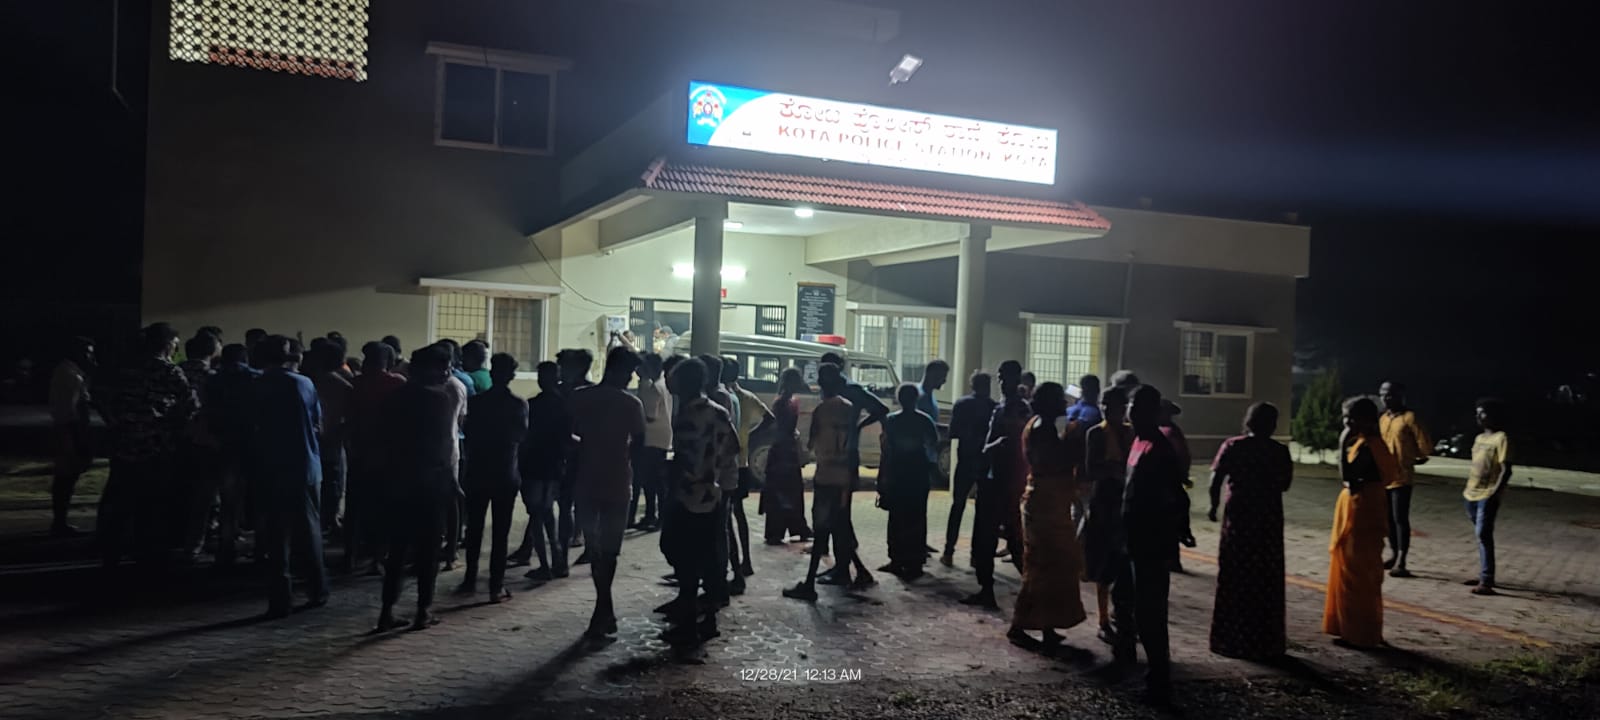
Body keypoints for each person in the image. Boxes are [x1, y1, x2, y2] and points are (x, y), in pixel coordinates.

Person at [1109, 384, 1186, 705]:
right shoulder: (1138, 442)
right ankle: (1136, 663)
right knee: (1128, 602)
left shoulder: (1159, 448)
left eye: (1137, 407)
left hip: (1150, 542)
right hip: (1132, 538)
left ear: (1151, 412)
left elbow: (1173, 495)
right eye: (1130, 405)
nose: (1131, 411)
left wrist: (1173, 537)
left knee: (1150, 611)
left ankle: (1159, 679)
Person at [98, 323, 196, 569]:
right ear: (167, 344)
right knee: (151, 503)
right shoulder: (168, 371)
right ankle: (145, 552)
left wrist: (116, 424)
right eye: (174, 344)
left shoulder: (124, 370)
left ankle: (111, 551)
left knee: (119, 501)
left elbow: (103, 400)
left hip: (123, 445)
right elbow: (190, 404)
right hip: (155, 446)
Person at [374, 345, 459, 631]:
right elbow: (442, 446)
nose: (447, 373)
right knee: (428, 550)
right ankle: (423, 609)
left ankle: (387, 610)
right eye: (444, 367)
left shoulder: (393, 397)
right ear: (430, 369)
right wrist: (449, 481)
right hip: (430, 484)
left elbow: (383, 439)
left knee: (397, 549)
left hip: (398, 481)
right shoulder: (440, 400)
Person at [569, 347, 648, 638]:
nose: (630, 379)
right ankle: (604, 608)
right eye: (629, 373)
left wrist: (586, 445)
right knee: (610, 551)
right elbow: (639, 444)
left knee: (595, 548)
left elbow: (567, 433)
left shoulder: (580, 397)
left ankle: (603, 609)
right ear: (616, 370)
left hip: (587, 480)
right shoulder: (631, 404)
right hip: (618, 481)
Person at [1207, 402, 1294, 660]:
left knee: (1235, 573)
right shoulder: (1279, 451)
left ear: (1249, 421)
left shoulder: (1233, 446)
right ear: (1273, 425)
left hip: (1239, 517)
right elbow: (1285, 484)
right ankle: (1264, 641)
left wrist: (1213, 506)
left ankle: (1230, 638)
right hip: (1267, 519)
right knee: (1265, 576)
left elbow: (1215, 479)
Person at [250, 336, 329, 618]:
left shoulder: (257, 385)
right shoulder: (304, 383)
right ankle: (317, 589)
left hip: (270, 467)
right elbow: (318, 425)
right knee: (309, 531)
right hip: (306, 465)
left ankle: (280, 599)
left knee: (276, 535)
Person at [662, 357, 739, 643]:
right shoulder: (719, 411)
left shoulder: (687, 417)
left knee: (684, 559)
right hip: (712, 493)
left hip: (687, 495)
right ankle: (708, 618)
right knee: (709, 557)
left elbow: (684, 460)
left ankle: (688, 624)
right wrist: (713, 467)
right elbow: (733, 447)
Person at [1009, 382, 1087, 648]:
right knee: (1044, 567)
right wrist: (1074, 444)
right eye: (1060, 400)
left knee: (1054, 567)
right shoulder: (1042, 429)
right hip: (1044, 506)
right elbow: (1052, 462)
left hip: (1051, 502)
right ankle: (1020, 624)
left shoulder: (1044, 426)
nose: (1065, 404)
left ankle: (1047, 625)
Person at [784, 363, 870, 600]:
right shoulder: (850, 408)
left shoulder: (821, 410)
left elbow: (812, 444)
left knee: (822, 529)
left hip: (826, 476)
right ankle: (860, 571)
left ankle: (809, 584)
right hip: (844, 476)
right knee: (840, 526)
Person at [1322, 396, 1395, 649]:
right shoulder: (1374, 444)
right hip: (1368, 507)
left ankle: (1358, 633)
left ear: (1365, 420)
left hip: (1361, 511)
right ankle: (1364, 628)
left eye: (1350, 418)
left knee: (1356, 572)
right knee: (1366, 572)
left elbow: (1349, 478)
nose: (1346, 423)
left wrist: (1342, 443)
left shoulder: (1367, 448)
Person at [456, 353, 528, 602]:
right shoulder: (518, 404)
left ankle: (469, 579)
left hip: (478, 470)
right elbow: (522, 436)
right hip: (505, 471)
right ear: (511, 375)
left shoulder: (477, 402)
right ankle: (495, 585)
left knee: (474, 529)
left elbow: (468, 431)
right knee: (501, 532)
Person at [817, 351, 889, 584]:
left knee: (838, 515)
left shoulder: (851, 391)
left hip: (844, 460)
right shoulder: (836, 392)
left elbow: (881, 410)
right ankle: (846, 566)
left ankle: (846, 569)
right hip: (836, 459)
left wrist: (858, 426)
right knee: (838, 516)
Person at [962, 360, 1029, 609]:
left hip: (1006, 481)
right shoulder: (1003, 408)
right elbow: (989, 445)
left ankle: (1033, 591)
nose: (1001, 381)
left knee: (1011, 539)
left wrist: (996, 446)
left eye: (1005, 377)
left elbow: (1015, 445)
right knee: (989, 539)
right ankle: (987, 590)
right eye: (1000, 377)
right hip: (995, 480)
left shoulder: (1019, 409)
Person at [345, 341, 405, 574]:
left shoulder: (356, 383)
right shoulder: (397, 383)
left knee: (355, 508)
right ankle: (378, 558)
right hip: (388, 455)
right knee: (383, 508)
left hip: (360, 452)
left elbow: (349, 419)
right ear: (388, 361)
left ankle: (350, 556)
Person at [1082, 386, 1132, 641]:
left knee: (1124, 564)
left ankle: (1121, 616)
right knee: (1103, 563)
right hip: (1104, 502)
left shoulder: (1131, 432)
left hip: (1126, 503)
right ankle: (1103, 619)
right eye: (1104, 405)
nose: (1107, 410)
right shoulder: (1096, 434)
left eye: (1112, 406)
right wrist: (1113, 471)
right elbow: (1091, 470)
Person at [511, 362, 569, 580]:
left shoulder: (533, 405)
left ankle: (545, 564)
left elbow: (524, 437)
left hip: (534, 466)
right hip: (554, 466)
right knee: (548, 514)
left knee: (536, 515)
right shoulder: (564, 405)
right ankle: (557, 560)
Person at [205, 343, 259, 566]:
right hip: (252, 443)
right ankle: (261, 548)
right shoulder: (255, 377)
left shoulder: (213, 380)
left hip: (224, 444)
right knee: (258, 498)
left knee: (228, 500)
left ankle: (226, 546)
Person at [878, 383, 939, 579]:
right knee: (917, 518)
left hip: (897, 475)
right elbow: (933, 446)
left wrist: (882, 478)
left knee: (896, 519)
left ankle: (896, 559)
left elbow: (886, 452)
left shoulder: (891, 421)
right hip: (918, 475)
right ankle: (915, 562)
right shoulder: (925, 420)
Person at [941, 371, 996, 567]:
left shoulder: (962, 404)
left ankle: (949, 551)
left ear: (972, 385)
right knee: (982, 511)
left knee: (958, 505)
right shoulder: (993, 407)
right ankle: (975, 555)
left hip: (965, 460)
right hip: (985, 462)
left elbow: (953, 433)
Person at [1378, 381, 1432, 578]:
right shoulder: (1383, 419)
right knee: (1388, 519)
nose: (1386, 398)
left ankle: (1402, 559)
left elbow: (1424, 446)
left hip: (1402, 477)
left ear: (1401, 395)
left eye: (1390, 394)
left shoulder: (1410, 418)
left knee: (1400, 518)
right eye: (1383, 394)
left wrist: (1413, 458)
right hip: (1383, 477)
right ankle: (1393, 554)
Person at [725, 357, 769, 591]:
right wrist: (749, 434)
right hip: (741, 460)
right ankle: (746, 561)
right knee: (739, 514)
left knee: (725, 518)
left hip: (728, 462)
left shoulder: (725, 397)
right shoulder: (747, 397)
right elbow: (769, 419)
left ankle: (733, 565)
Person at [178, 333, 221, 562]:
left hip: (176, 438)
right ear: (212, 350)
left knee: (183, 487)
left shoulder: (177, 370)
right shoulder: (212, 377)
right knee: (205, 493)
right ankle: (197, 541)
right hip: (204, 439)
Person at [1462, 398, 1512, 596]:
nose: (1478, 416)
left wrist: (1495, 493)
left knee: (1483, 534)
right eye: (1477, 413)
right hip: (1471, 494)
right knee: (1480, 535)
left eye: (1482, 413)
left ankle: (1486, 579)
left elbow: (1506, 470)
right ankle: (1484, 574)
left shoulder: (1501, 438)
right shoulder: (1479, 438)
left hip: (1487, 494)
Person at [49, 337, 96, 536]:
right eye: (88, 353)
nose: (91, 357)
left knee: (66, 476)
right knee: (66, 477)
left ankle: (60, 520)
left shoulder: (70, 372)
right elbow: (71, 411)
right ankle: (59, 522)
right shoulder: (71, 375)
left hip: (68, 429)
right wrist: (77, 438)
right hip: (69, 430)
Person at [760, 368, 813, 545]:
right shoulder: (788, 402)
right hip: (786, 451)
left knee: (780, 491)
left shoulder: (782, 402)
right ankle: (796, 527)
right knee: (790, 491)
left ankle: (777, 530)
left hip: (781, 451)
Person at [555, 349, 595, 565]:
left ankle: (581, 543)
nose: (560, 371)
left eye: (564, 366)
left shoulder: (586, 392)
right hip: (565, 452)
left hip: (579, 452)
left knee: (575, 502)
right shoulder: (561, 389)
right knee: (565, 503)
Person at [309, 342, 353, 535]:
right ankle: (331, 519)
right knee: (334, 482)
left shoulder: (308, 382)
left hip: (312, 441)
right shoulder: (344, 385)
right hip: (334, 440)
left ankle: (318, 520)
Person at [435, 340, 471, 571]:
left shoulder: (446, 388)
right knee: (450, 499)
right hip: (449, 449)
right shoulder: (457, 385)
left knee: (449, 499)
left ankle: (448, 550)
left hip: (442, 452)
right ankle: (449, 551)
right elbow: (461, 421)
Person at [631, 353, 671, 531]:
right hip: (661, 437)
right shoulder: (664, 385)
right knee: (655, 481)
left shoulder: (654, 388)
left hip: (651, 438)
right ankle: (653, 516)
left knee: (651, 482)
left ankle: (654, 517)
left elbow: (649, 415)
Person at [1159, 399, 1197, 572]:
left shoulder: (1168, 433)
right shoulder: (1171, 431)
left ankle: (1171, 559)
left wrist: (1181, 476)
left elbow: (1179, 458)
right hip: (1173, 482)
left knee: (1169, 524)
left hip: (1168, 482)